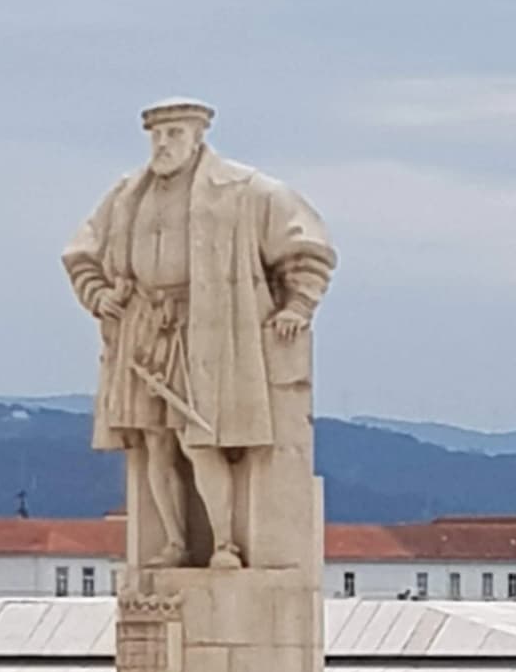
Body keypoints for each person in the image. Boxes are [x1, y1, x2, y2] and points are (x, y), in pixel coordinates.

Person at [62, 98, 336, 567]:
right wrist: (97, 293)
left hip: (212, 327)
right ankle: (174, 542)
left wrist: (298, 304)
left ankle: (225, 543)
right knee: (155, 441)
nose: (163, 144)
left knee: (201, 438)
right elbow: (81, 253)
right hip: (143, 327)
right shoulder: (128, 194)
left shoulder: (244, 189)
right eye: (156, 135)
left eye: (174, 134)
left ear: (198, 136)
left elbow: (306, 245)